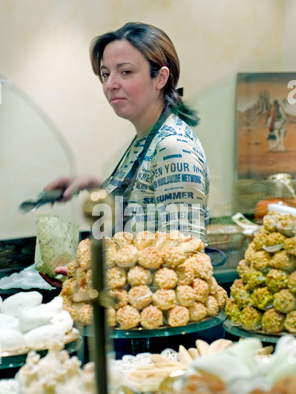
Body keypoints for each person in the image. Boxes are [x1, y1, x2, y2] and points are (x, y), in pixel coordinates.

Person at [47, 22, 209, 247]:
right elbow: (139, 214)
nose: (110, 84)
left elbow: (183, 257)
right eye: (105, 74)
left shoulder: (172, 147)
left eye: (125, 72)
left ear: (160, 78)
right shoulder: (146, 137)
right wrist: (93, 185)